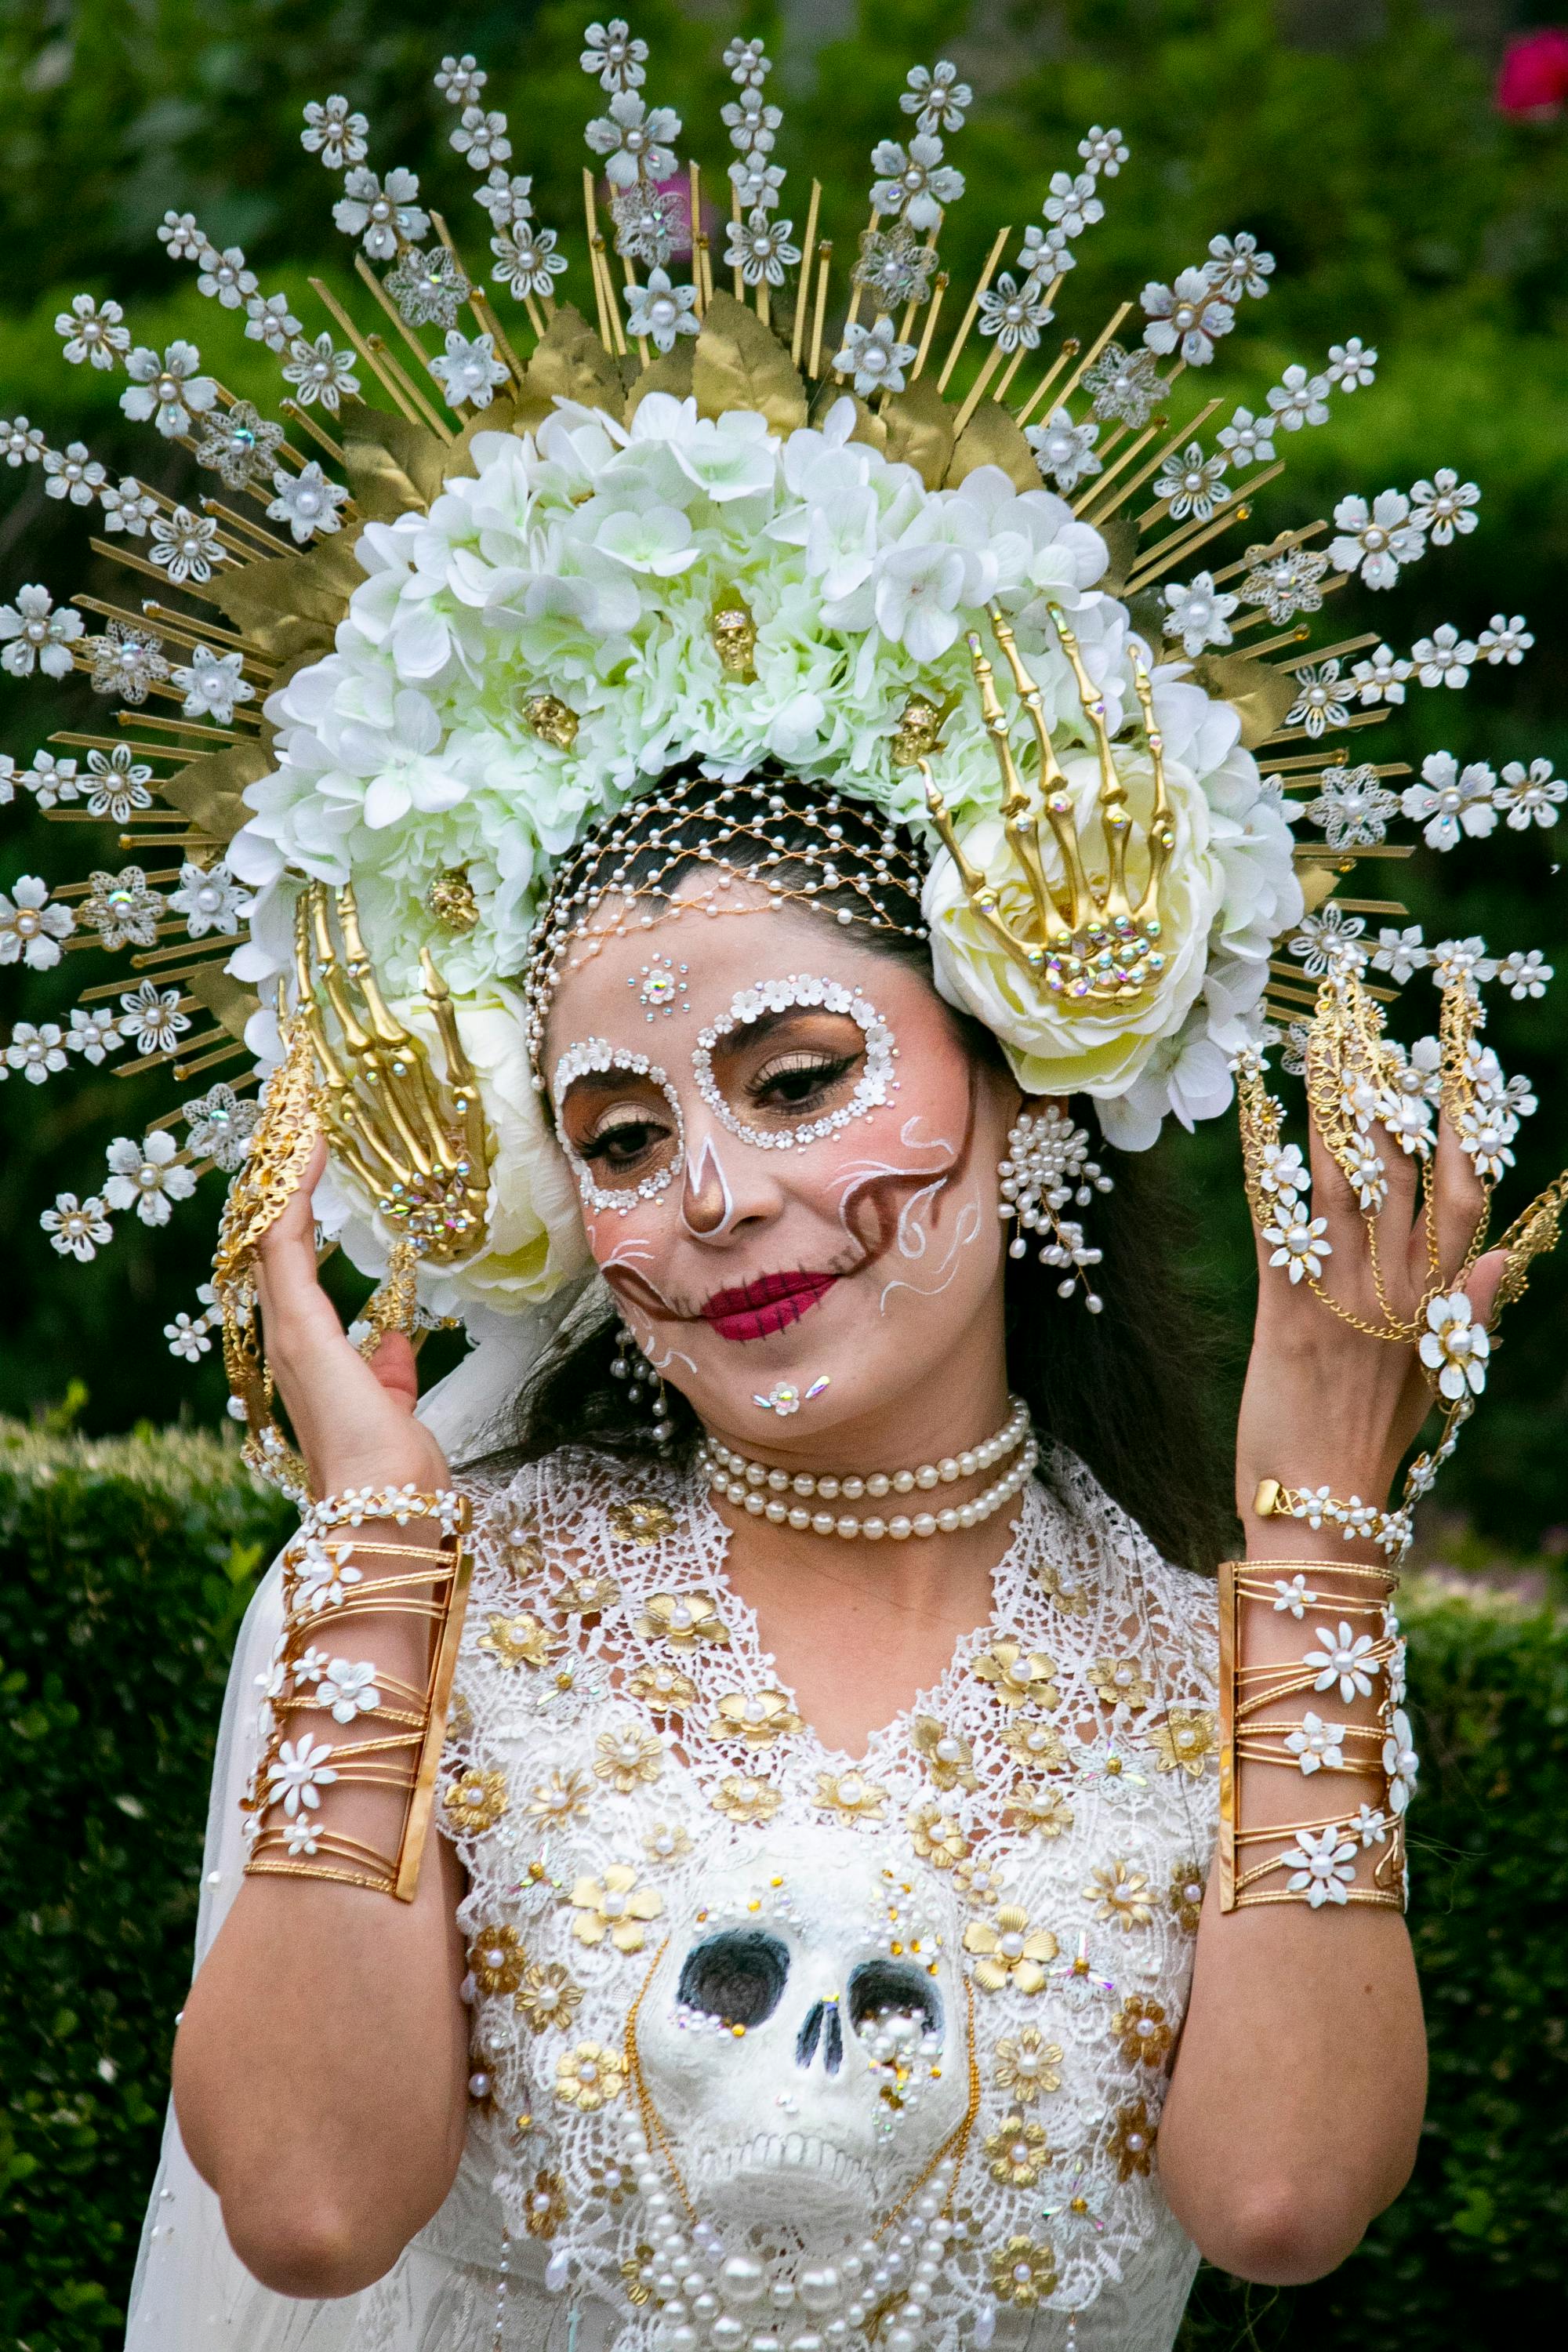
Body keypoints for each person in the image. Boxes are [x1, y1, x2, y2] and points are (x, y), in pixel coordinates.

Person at [1, 22, 1555, 2352]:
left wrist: (1319, 1538)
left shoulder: (1207, 1650)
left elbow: (1281, 2197)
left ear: (1022, 1086)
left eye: (800, 1075)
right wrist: (372, 1569)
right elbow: (313, 2215)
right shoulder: (450, 1602)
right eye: (621, 1136)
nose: (714, 1194)